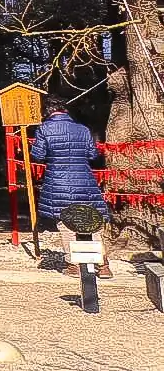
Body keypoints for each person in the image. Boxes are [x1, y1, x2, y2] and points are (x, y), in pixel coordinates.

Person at [30, 98, 115, 279]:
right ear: (64, 110)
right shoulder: (83, 129)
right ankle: (103, 265)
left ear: (46, 111)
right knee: (92, 221)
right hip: (84, 180)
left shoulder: (44, 130)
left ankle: (73, 264)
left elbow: (37, 156)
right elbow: (92, 154)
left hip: (57, 181)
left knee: (66, 223)